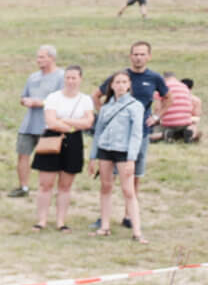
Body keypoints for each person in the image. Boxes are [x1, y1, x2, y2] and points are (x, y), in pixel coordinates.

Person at [34, 65, 93, 232]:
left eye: (74, 78)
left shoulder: (85, 100)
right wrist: (73, 125)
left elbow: (88, 122)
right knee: (46, 184)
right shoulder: (53, 97)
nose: (71, 81)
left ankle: (61, 221)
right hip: (52, 138)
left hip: (73, 141)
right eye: (68, 77)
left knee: (65, 185)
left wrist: (65, 120)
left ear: (80, 79)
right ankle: (42, 220)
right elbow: (51, 121)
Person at [90, 72, 147, 243]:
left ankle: (137, 231)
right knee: (105, 187)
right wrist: (93, 157)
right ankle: (104, 226)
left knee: (128, 190)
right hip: (106, 149)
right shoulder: (106, 107)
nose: (121, 85)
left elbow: (136, 134)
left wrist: (131, 159)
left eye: (124, 82)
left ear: (129, 85)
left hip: (124, 152)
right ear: (112, 85)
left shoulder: (135, 106)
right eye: (117, 82)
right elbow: (98, 132)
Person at [11, 44, 63, 198]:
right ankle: (23, 187)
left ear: (52, 58)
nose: (38, 60)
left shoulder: (61, 76)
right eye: (37, 57)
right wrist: (25, 101)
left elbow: (62, 100)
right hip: (28, 124)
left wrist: (40, 103)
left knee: (49, 159)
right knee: (22, 155)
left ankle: (51, 188)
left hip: (47, 124)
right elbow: (23, 96)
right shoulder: (33, 77)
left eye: (42, 57)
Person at [122, 41, 167, 191]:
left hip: (142, 130)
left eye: (142, 54)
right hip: (121, 131)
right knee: (115, 171)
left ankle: (132, 207)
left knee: (136, 171)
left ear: (149, 57)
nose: (138, 58)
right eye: (135, 54)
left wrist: (156, 116)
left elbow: (168, 98)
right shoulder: (121, 76)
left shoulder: (154, 78)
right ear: (130, 56)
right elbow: (98, 95)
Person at [153, 75, 199, 143]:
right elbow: (191, 110)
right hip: (184, 123)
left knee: (151, 132)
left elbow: (157, 108)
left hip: (167, 124)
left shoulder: (161, 87)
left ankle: (164, 135)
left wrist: (155, 119)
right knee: (193, 127)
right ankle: (189, 134)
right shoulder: (185, 87)